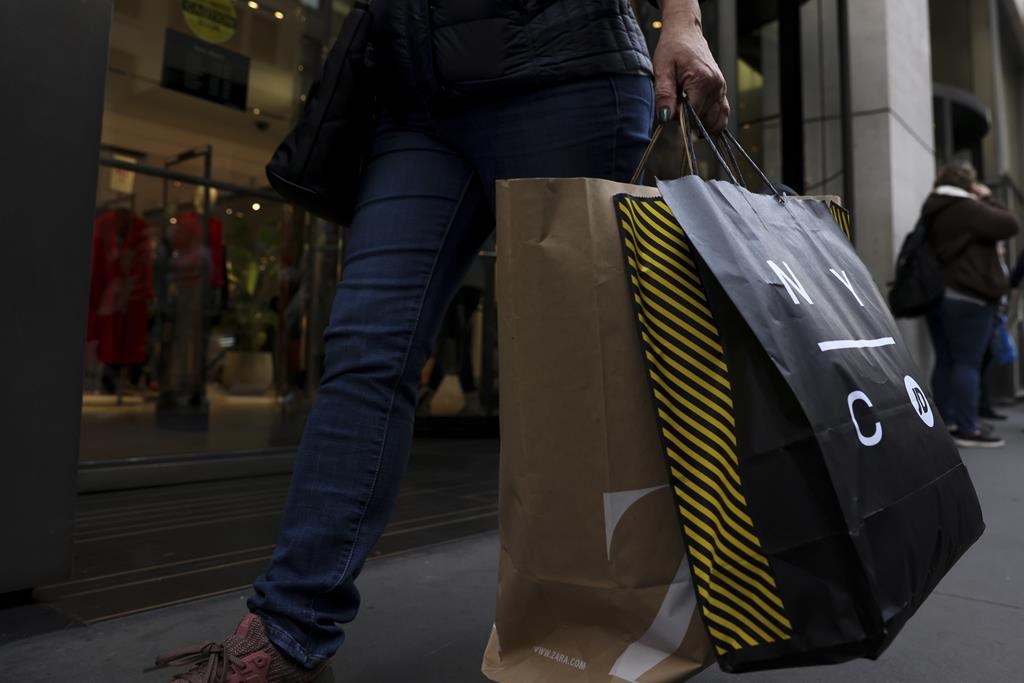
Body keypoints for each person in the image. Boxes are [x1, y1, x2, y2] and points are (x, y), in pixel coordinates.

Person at [152, 1, 730, 681]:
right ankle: (288, 629)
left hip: (561, 66)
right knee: (367, 346)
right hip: (416, 101)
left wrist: (682, 19)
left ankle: (625, 623)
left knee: (589, 368)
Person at [924, 160, 1019, 448]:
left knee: (946, 360)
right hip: (969, 297)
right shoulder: (966, 208)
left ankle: (946, 422)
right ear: (968, 183)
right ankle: (968, 428)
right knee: (968, 362)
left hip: (941, 296)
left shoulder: (934, 206)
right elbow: (1010, 224)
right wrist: (988, 196)